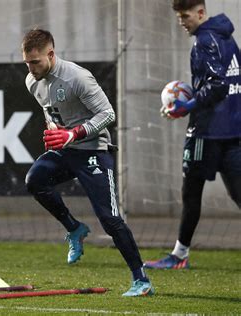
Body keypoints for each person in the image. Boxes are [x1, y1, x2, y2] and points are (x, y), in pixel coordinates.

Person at [22, 28, 154, 297]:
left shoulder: (77, 77)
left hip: (93, 150)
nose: (31, 68)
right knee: (34, 180)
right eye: (26, 62)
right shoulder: (32, 81)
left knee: (110, 219)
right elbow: (53, 113)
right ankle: (74, 229)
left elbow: (108, 115)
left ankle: (141, 280)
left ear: (51, 54)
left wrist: (72, 133)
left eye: (35, 62)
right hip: (66, 151)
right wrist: (55, 132)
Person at [145, 0, 241, 269]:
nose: (182, 22)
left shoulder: (204, 40)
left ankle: (179, 256)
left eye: (185, 16)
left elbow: (218, 85)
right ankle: (179, 254)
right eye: (179, 18)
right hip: (232, 130)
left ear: (200, 13)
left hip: (207, 132)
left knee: (191, 193)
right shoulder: (228, 38)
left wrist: (188, 105)